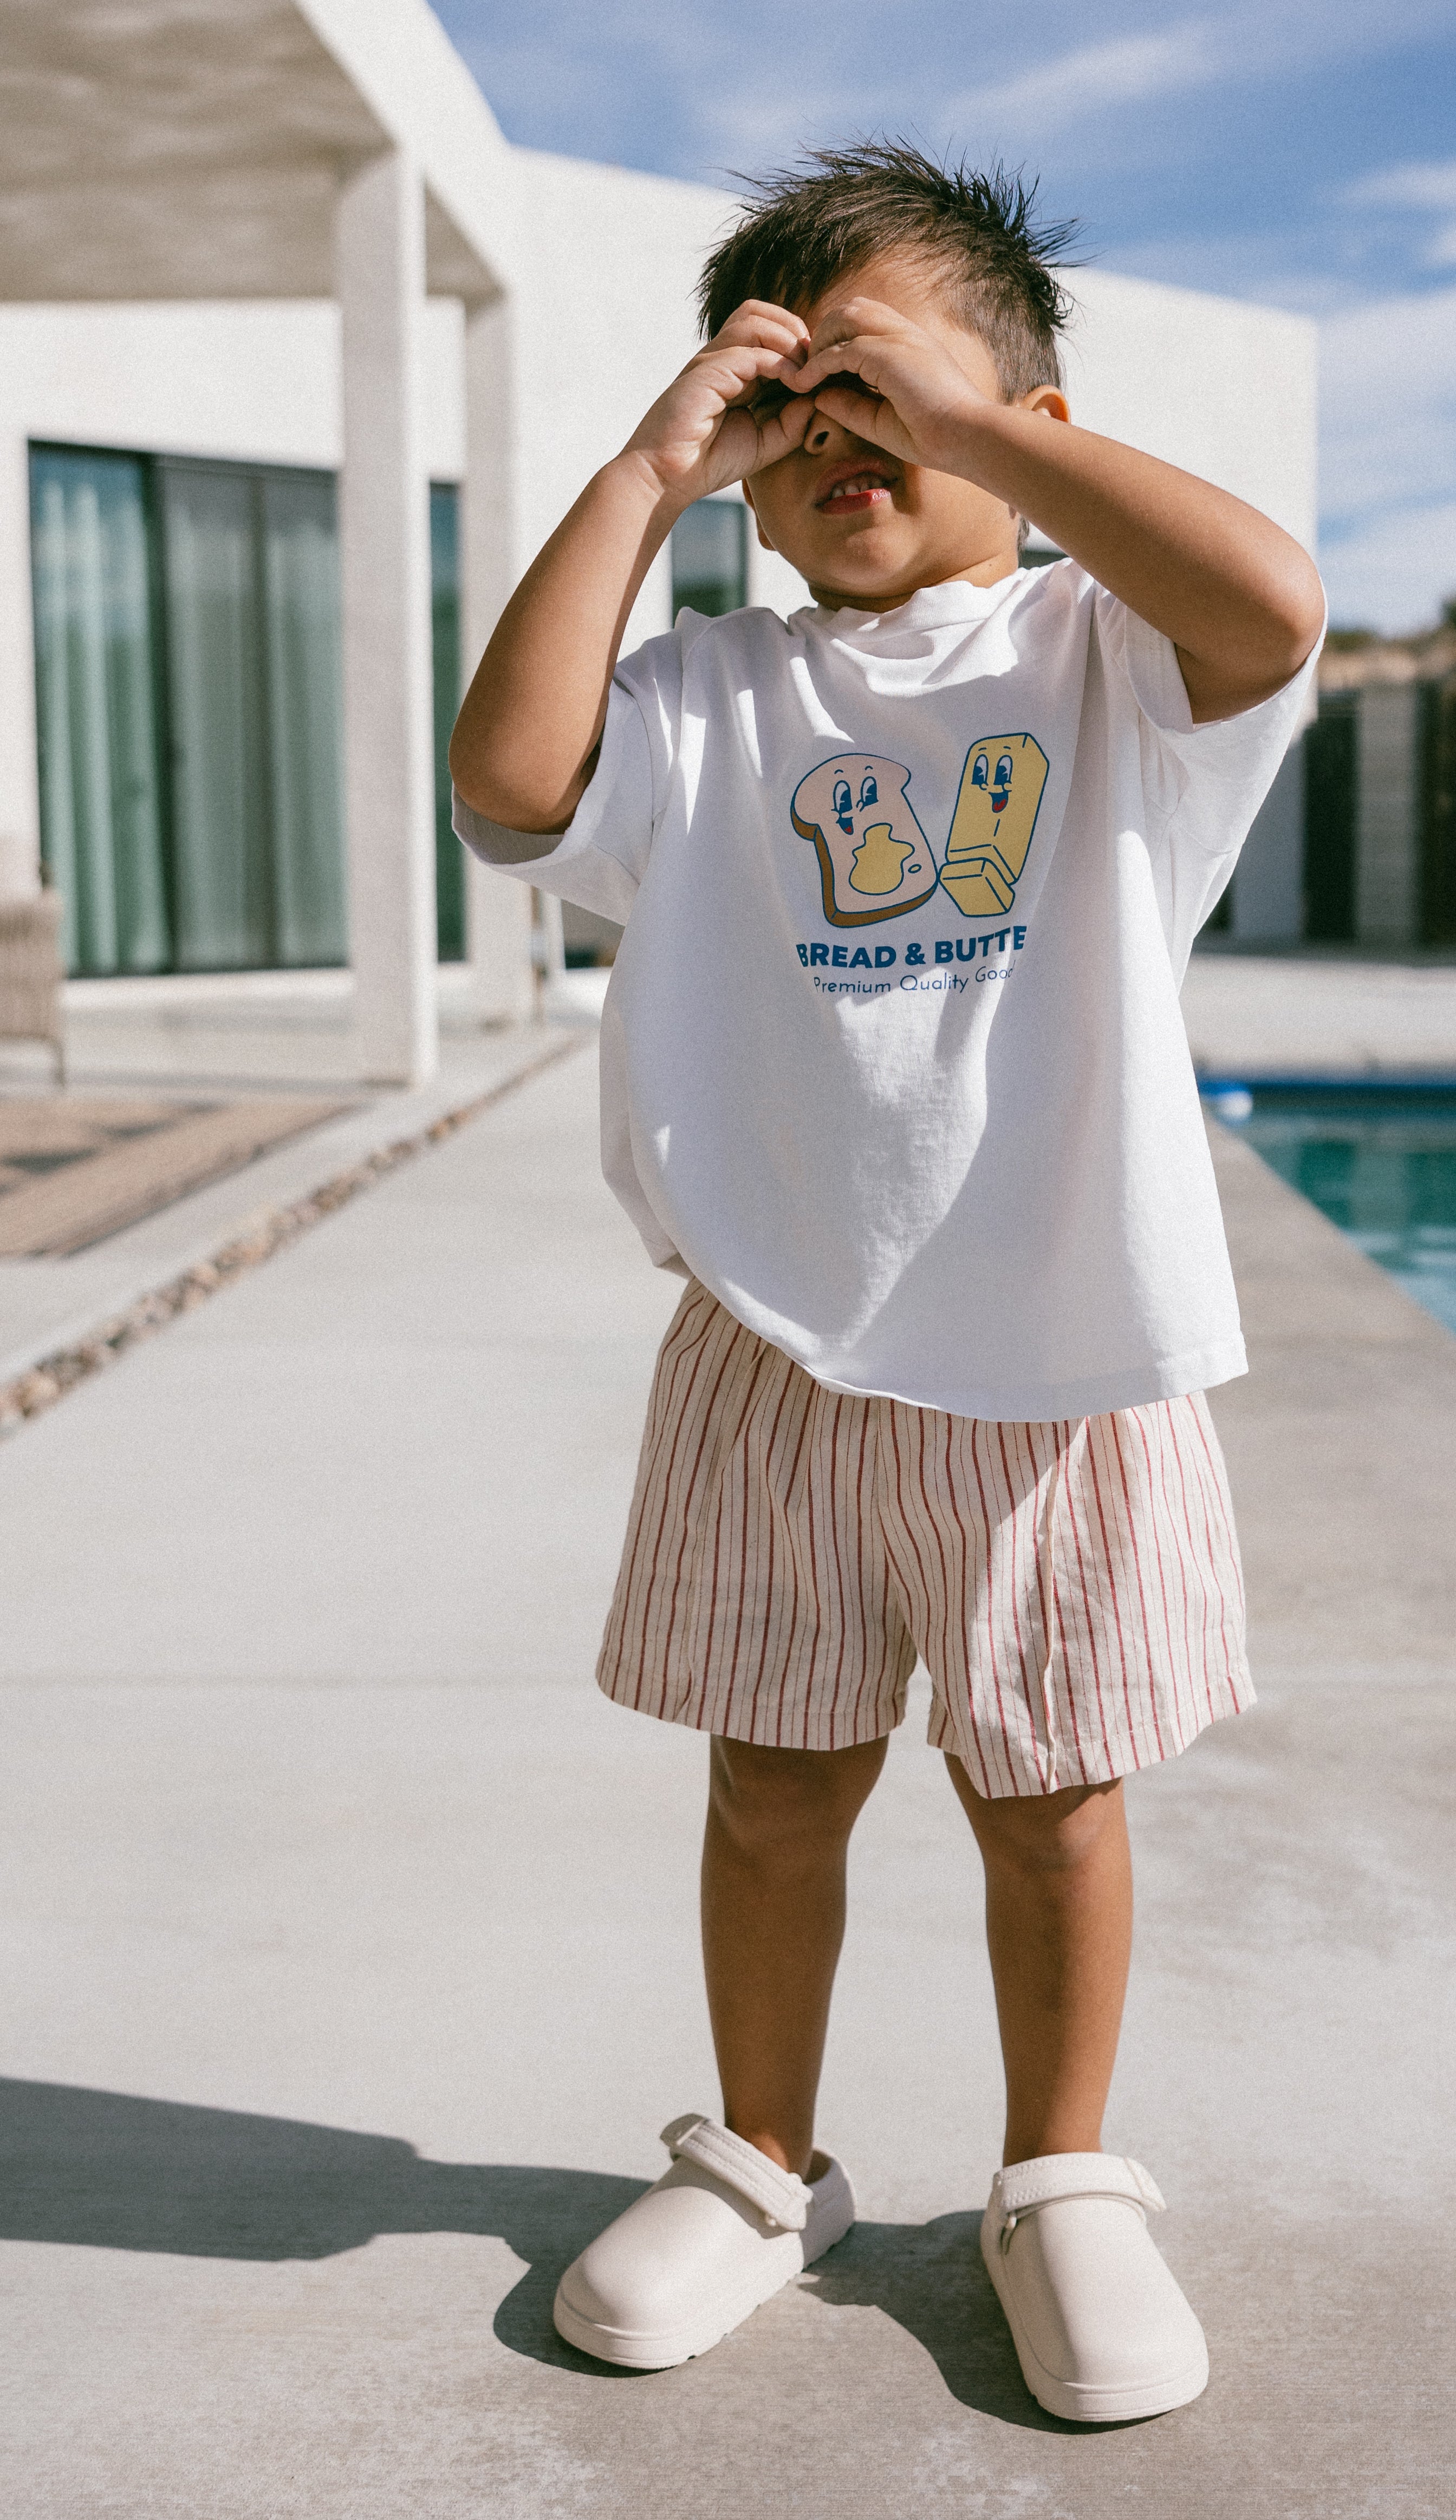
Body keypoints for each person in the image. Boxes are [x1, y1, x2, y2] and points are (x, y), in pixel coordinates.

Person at [449, 140, 1324, 2425]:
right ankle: (763, 2159)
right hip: (777, 1341)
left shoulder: (1105, 657)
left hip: (1058, 1345)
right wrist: (645, 474)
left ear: (1025, 419)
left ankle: (1059, 2175)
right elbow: (511, 782)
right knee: (772, 1782)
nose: (844, 439)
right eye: (796, 407)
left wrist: (973, 426)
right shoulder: (711, 690)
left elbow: (1270, 603)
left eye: (887, 389)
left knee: (1052, 1796)